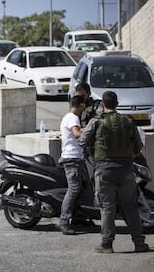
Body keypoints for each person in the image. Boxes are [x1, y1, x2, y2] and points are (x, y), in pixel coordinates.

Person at [79, 91, 149, 253]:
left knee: (107, 207)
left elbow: (82, 141)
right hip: (126, 170)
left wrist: (93, 150)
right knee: (130, 207)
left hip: (104, 170)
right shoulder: (128, 121)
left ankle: (107, 244)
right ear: (117, 104)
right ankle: (139, 243)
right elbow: (138, 147)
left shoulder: (96, 122)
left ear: (103, 104)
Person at [57, 95, 86, 235]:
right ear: (79, 105)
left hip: (76, 158)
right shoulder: (73, 118)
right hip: (72, 159)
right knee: (74, 188)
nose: (83, 109)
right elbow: (76, 133)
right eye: (83, 106)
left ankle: (78, 217)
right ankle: (63, 221)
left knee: (82, 187)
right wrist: (89, 131)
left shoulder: (68, 117)